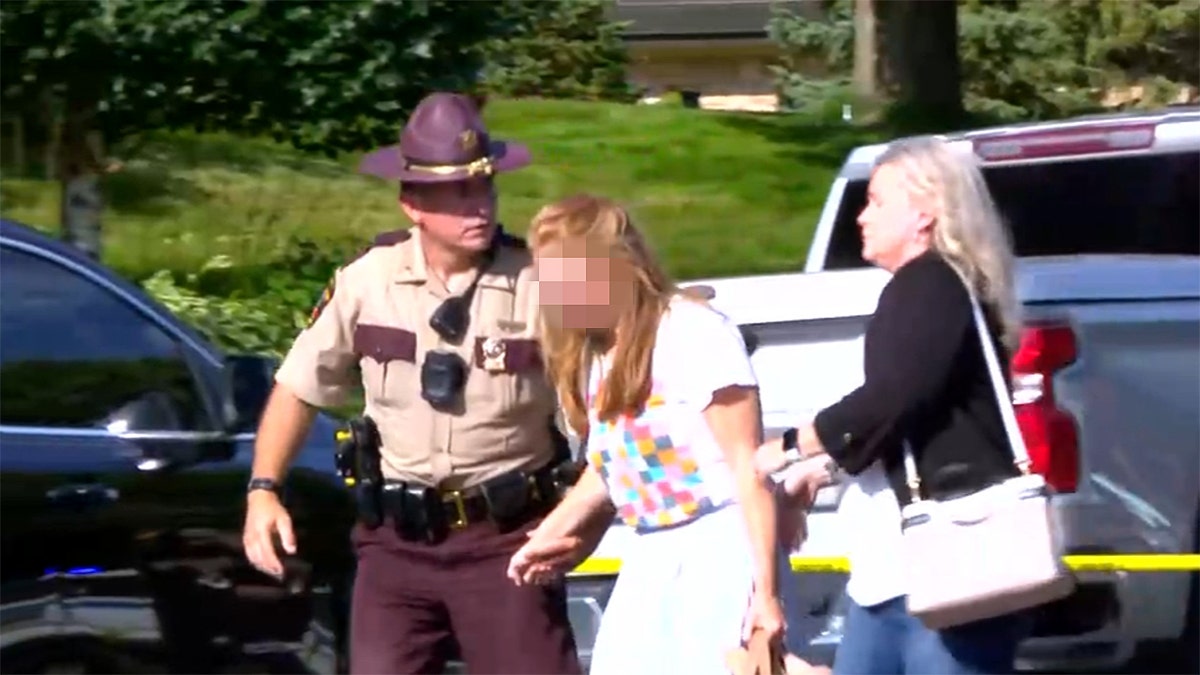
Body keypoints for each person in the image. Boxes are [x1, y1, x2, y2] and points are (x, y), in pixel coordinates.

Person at [240, 92, 608, 675]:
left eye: (485, 187)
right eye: (458, 193)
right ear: (413, 203)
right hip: (396, 548)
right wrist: (263, 489)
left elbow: (608, 422)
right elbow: (298, 386)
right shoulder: (368, 280)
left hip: (507, 544)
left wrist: (584, 524)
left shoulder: (542, 284)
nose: (479, 206)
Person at [756, 136, 1031, 675]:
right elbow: (914, 415)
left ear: (924, 213)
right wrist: (825, 469)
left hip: (947, 574)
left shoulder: (929, 282)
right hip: (897, 577)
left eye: (878, 201)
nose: (862, 217)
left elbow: (893, 397)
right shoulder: (936, 287)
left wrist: (787, 448)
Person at [504, 193, 787, 675]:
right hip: (651, 549)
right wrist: (552, 530)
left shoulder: (691, 330)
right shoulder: (600, 353)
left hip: (719, 546)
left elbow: (747, 465)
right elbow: (610, 462)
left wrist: (767, 592)